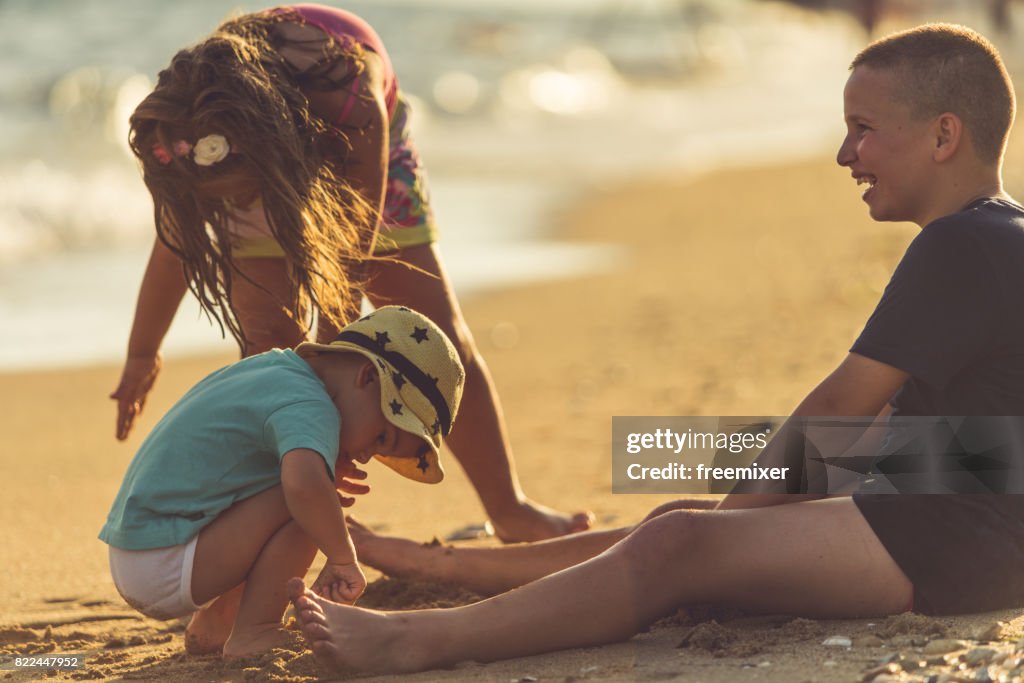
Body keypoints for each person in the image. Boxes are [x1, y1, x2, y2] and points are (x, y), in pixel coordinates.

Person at [279, 23, 1024, 674]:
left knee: (680, 542)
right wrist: (735, 520)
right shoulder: (997, 234)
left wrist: (729, 528)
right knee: (683, 512)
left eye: (863, 128)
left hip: (957, 543)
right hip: (967, 505)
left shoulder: (959, 245)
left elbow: (837, 403)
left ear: (943, 135)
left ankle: (413, 641)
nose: (843, 153)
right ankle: (451, 566)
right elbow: (909, 432)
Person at [110, 3, 592, 542]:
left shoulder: (349, 95)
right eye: (231, 203)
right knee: (267, 357)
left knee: (434, 334)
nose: (249, 207)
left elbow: (349, 264)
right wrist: (141, 352)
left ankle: (510, 509)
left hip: (355, 163)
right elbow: (176, 241)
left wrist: (329, 376)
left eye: (243, 198)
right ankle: (285, 522)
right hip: (254, 158)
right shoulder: (193, 132)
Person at [99, 306, 465, 658]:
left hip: (140, 548)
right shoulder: (311, 404)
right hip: (165, 560)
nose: (368, 456)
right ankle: (254, 631)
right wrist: (342, 558)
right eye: (382, 439)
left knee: (305, 488)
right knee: (315, 500)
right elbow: (304, 488)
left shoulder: (278, 372)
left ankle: (217, 624)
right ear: (367, 377)